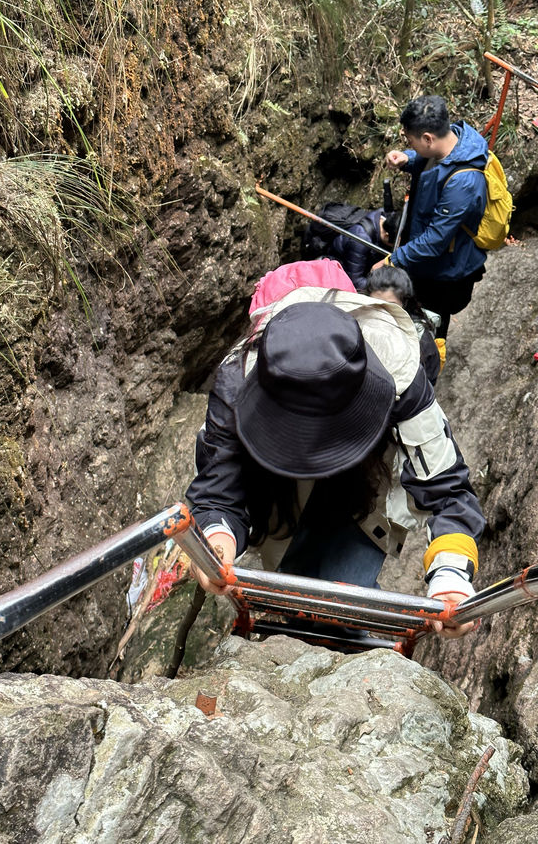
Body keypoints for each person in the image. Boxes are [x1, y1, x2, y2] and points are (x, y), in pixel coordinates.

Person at [186, 260, 485, 639]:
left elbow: (449, 493)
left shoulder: (399, 369)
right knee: (293, 607)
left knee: (338, 614)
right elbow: (217, 491)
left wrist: (451, 579)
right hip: (275, 488)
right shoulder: (238, 380)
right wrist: (216, 540)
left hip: (363, 494)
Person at [371, 95, 488, 338]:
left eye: (410, 141)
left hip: (445, 274)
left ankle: (431, 362)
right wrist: (408, 159)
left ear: (427, 138)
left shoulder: (464, 183)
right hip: (427, 263)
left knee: (432, 324)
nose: (409, 144)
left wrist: (392, 260)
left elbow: (435, 240)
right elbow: (432, 162)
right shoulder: (448, 141)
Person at [363, 265, 443, 387]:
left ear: (404, 303)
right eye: (375, 304)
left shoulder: (422, 343)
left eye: (390, 305)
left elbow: (425, 387)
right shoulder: (359, 320)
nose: (382, 311)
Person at [302, 205, 400, 290]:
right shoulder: (361, 241)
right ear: (387, 235)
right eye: (397, 243)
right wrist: (384, 287)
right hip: (338, 266)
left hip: (359, 260)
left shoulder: (384, 216)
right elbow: (355, 282)